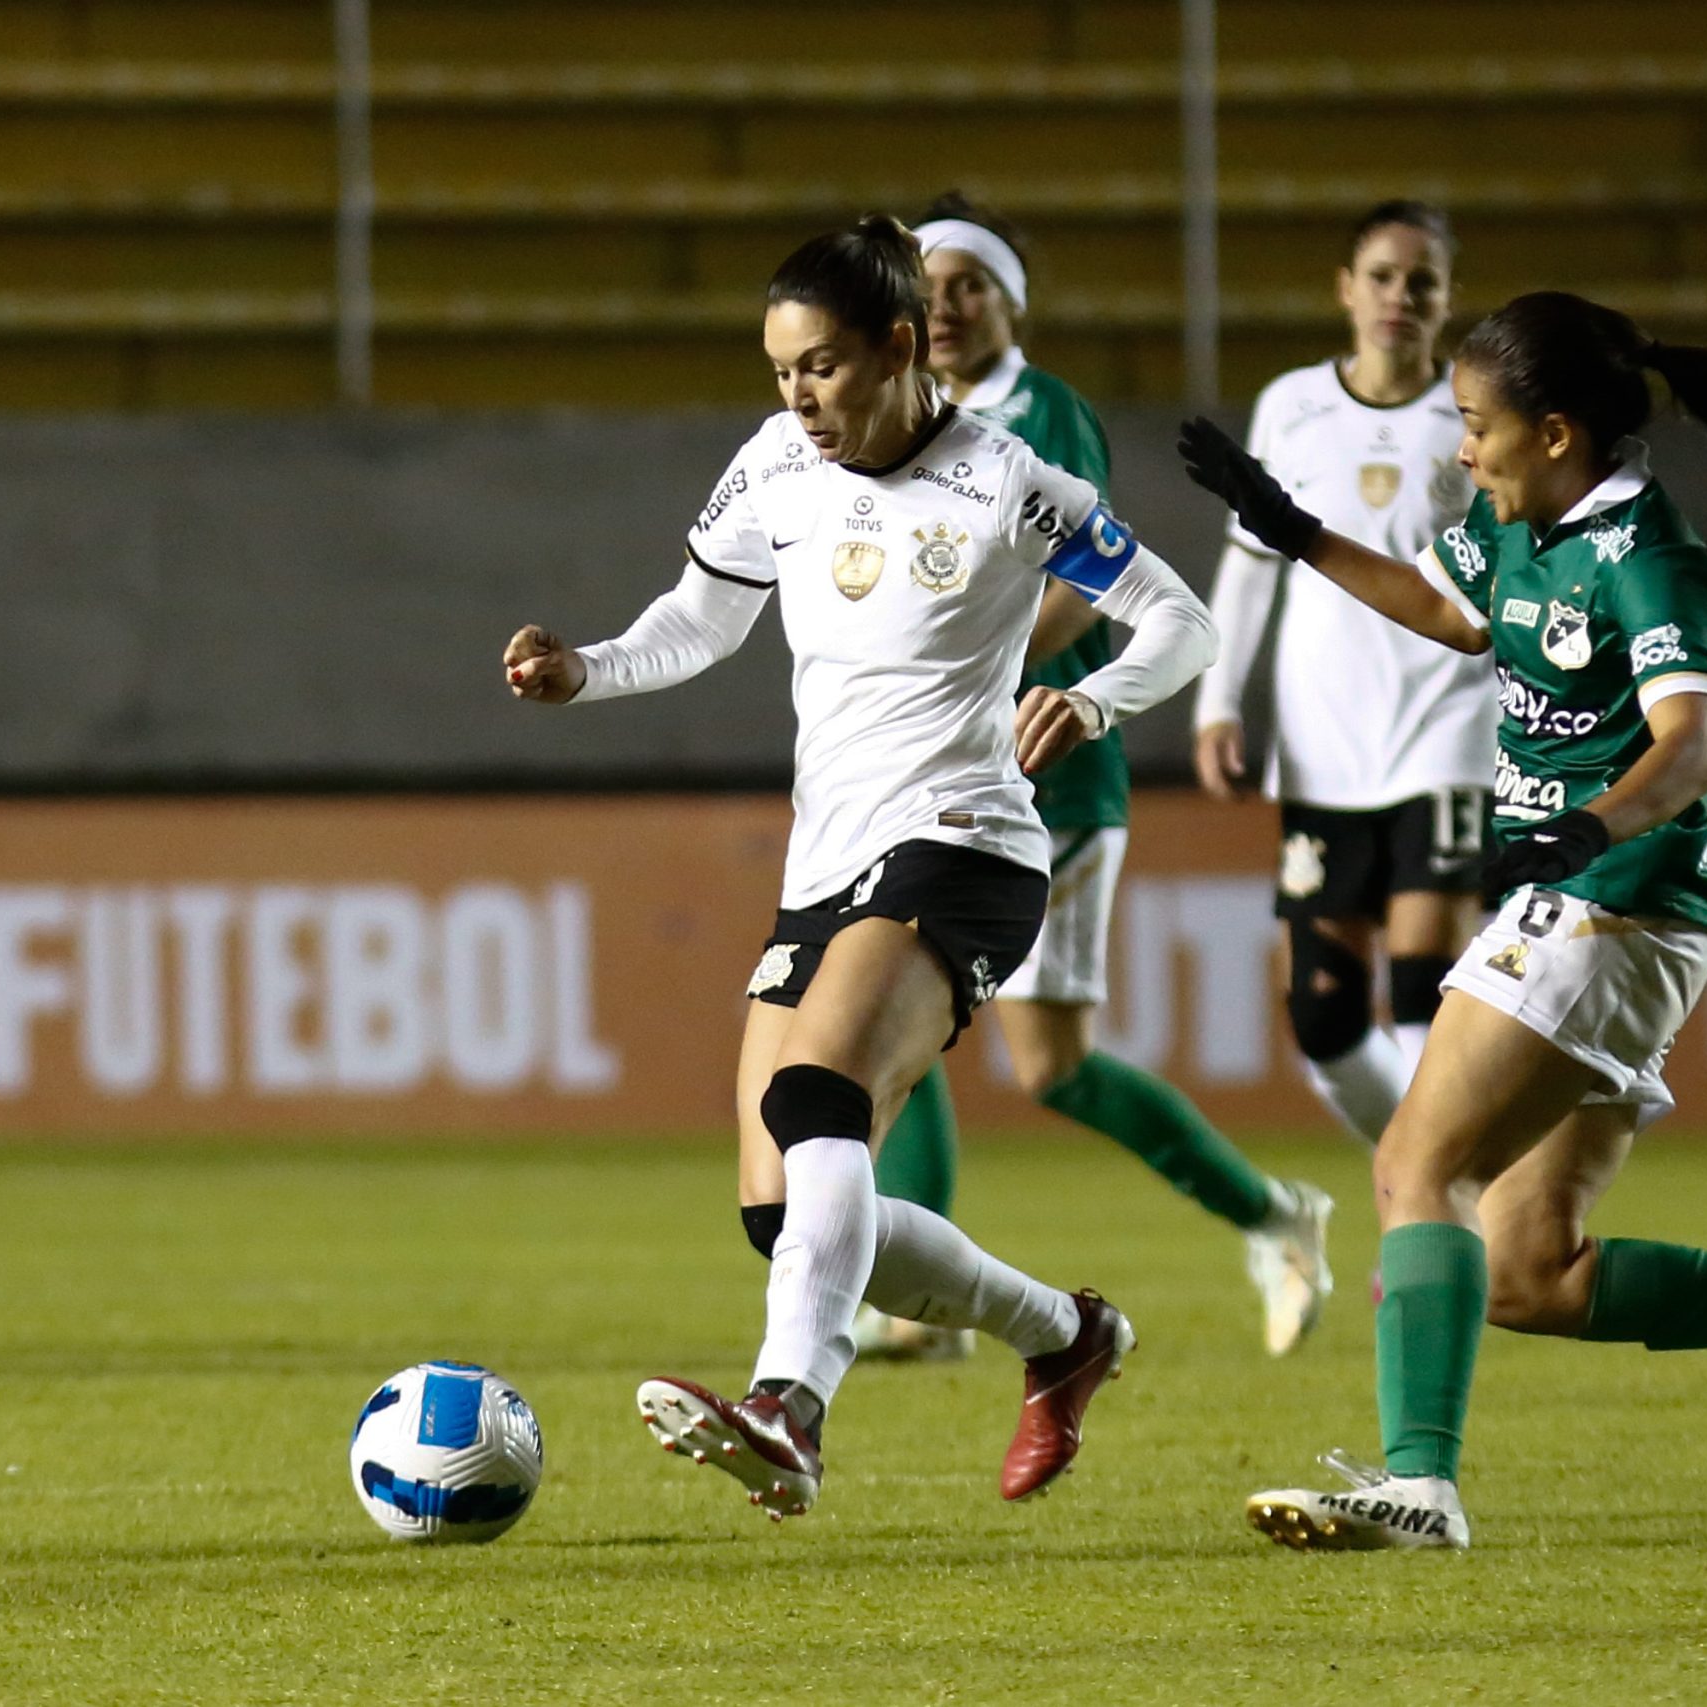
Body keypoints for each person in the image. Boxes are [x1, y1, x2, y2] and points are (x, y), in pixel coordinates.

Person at [1178, 290, 1707, 1553]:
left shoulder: (1645, 555)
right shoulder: (1523, 528)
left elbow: (1692, 742)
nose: (1457, 450)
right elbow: (1443, 610)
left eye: (1474, 425)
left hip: (1615, 905)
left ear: (1553, 433)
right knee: (1527, 1272)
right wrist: (1289, 528)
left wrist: (1594, 825)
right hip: (1609, 910)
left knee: (1411, 1167)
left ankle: (1417, 1485)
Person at [505, 216, 1217, 1522]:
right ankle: (1062, 1333)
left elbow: (1181, 617)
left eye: (823, 367)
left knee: (820, 1092)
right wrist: (586, 668)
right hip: (829, 857)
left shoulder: (1008, 480)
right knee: (784, 1215)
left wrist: (1102, 698)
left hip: (965, 844)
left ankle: (791, 1403)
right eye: (781, 370)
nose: (798, 397)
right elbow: (700, 617)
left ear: (900, 348)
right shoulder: (778, 461)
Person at [851, 191, 1334, 1366]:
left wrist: (978, 668)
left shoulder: (1038, 411)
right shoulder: (897, 417)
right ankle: (923, 1299)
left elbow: (1082, 579)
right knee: (884, 1019)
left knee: (1045, 1066)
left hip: (1040, 774)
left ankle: (1274, 1214)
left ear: (1012, 299)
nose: (953, 303)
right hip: (920, 774)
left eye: (975, 282)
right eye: (935, 282)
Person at [1191, 201, 1493, 1203]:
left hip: (1446, 727)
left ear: (1448, 300)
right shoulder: (1290, 408)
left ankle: (1430, 1214)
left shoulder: (1472, 417)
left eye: (1421, 280)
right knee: (1322, 1014)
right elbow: (1250, 565)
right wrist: (1217, 702)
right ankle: (1428, 1179)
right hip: (1322, 742)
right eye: (1380, 275)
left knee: (1421, 988)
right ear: (1344, 287)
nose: (1399, 297)